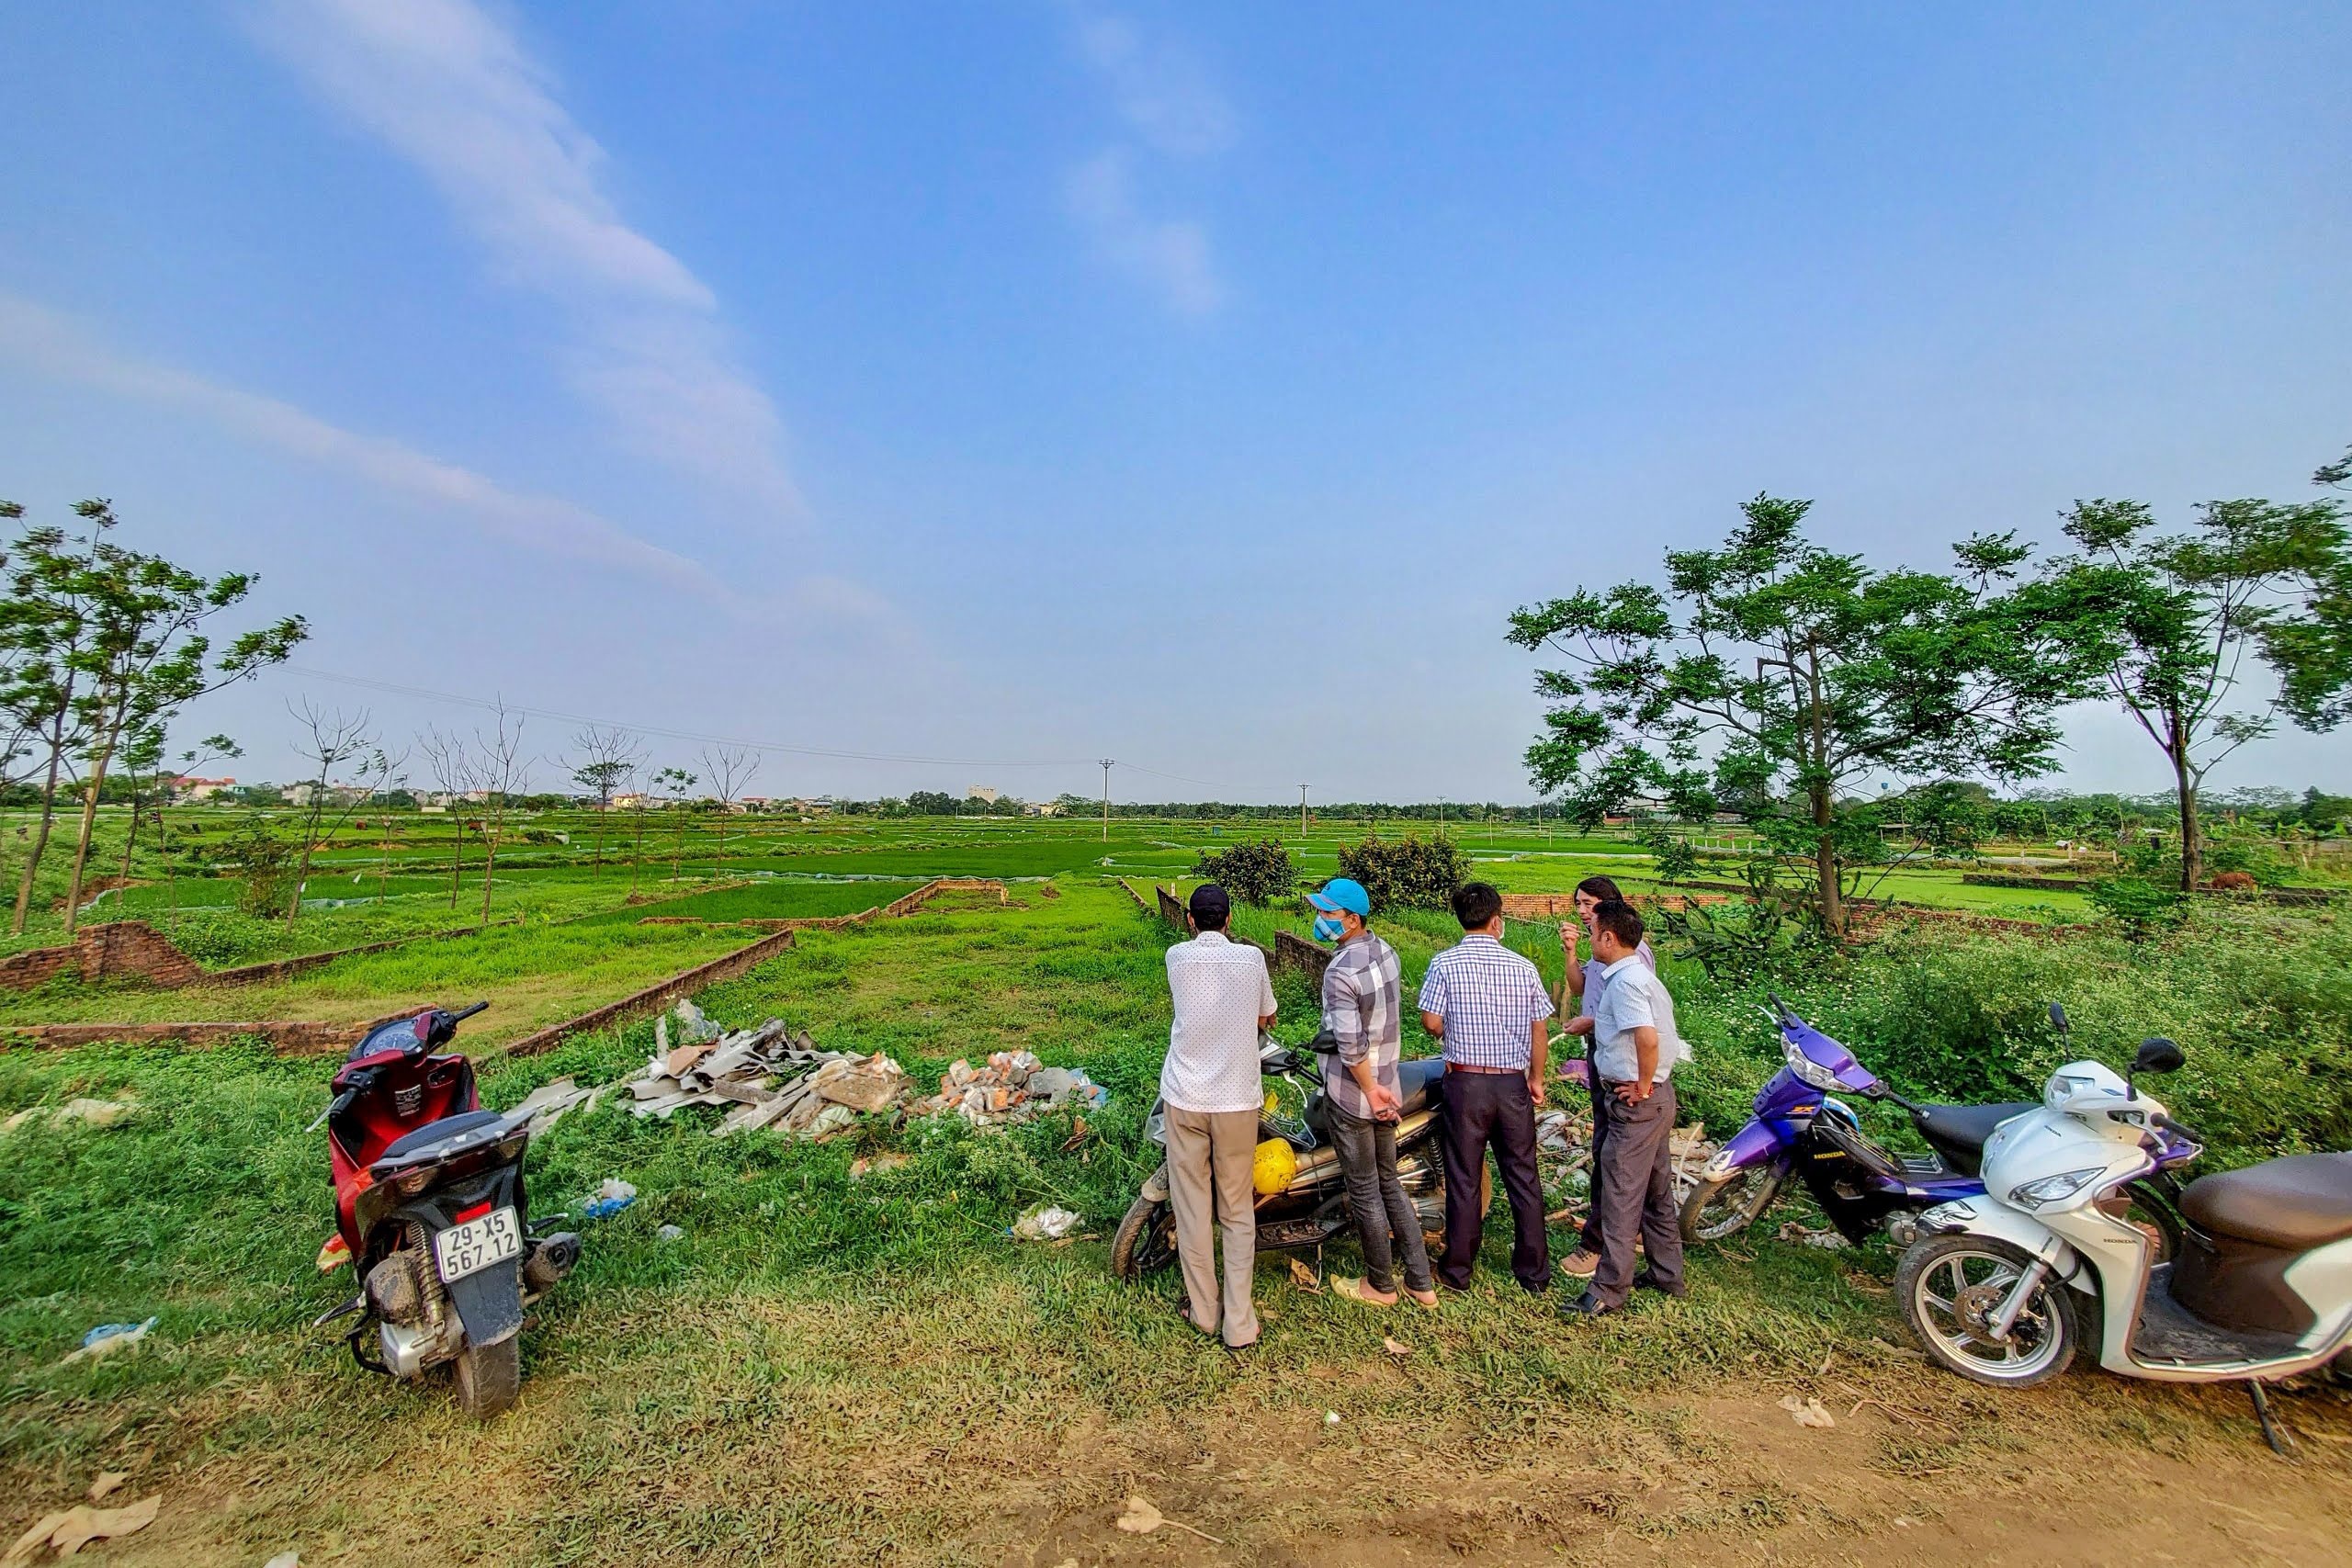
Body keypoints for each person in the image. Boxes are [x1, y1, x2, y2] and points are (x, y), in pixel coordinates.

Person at [1418, 881, 1555, 1293]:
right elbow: (1540, 1029)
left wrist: (1448, 1032)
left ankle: (1458, 1270)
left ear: (1461, 919)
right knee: (1523, 1176)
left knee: (1464, 1176)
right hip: (1511, 1084)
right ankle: (1533, 1273)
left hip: (1465, 1083)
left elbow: (1430, 1021)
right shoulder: (1523, 967)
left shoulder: (1444, 964)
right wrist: (1536, 1078)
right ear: (1498, 921)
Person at [1306, 876, 1437, 1310]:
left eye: (1328, 914)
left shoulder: (1340, 971)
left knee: (1363, 1187)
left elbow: (1351, 1044)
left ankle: (1380, 1285)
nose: (1320, 920)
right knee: (1389, 1181)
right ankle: (1421, 1281)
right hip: (1390, 1082)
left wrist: (1369, 1092)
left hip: (1356, 1094)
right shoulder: (1386, 952)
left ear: (1352, 919)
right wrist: (1382, 1090)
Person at [1160, 881, 1276, 1348]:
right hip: (1236, 1101)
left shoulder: (1176, 957)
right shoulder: (1252, 960)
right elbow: (1266, 1017)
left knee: (1191, 1209)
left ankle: (1204, 1312)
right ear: (1229, 920)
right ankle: (1241, 1324)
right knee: (1236, 1210)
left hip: (1185, 1097)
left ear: (1191, 920)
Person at [1562, 898, 1690, 1317]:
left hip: (1636, 1104)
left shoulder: (1626, 982)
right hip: (1656, 1101)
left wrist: (1642, 1085)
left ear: (1609, 937)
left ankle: (1608, 1289)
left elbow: (1647, 1038)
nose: (1589, 937)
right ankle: (1667, 1274)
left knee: (1619, 1194)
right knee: (1656, 1194)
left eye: (1592, 930)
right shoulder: (1637, 975)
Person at [1555, 874, 1657, 1280]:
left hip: (1622, 1062)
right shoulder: (1599, 951)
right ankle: (1641, 1236)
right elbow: (1581, 987)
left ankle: (1598, 1246)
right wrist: (1569, 952)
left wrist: (1592, 1024)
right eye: (1578, 903)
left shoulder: (1634, 956)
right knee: (1621, 1152)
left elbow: (1640, 1024)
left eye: (1589, 904)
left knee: (1612, 1154)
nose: (1581, 911)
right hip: (1602, 1053)